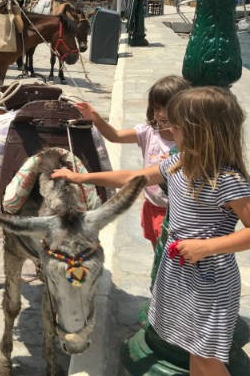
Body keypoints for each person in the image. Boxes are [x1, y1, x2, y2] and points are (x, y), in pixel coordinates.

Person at [52, 86, 250, 376]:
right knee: (193, 350)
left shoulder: (226, 180)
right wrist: (81, 178)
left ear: (200, 132)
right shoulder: (178, 165)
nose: (168, 130)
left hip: (210, 281)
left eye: (175, 126)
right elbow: (132, 177)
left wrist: (206, 246)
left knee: (209, 359)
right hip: (179, 272)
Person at [71, 75, 190, 247]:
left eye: (167, 108)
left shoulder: (188, 141)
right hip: (151, 205)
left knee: (167, 254)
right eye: (157, 108)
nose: (161, 114)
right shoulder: (148, 131)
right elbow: (115, 136)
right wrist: (95, 118)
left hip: (175, 211)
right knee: (157, 250)